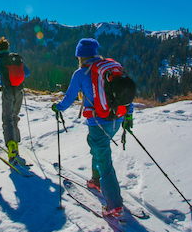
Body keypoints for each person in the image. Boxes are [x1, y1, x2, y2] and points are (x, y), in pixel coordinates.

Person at [51, 38, 133, 219]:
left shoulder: (80, 73)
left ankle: (114, 205)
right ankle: (96, 181)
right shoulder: (111, 68)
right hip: (117, 119)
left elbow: (69, 98)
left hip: (98, 122)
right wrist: (129, 115)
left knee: (104, 159)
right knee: (95, 145)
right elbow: (126, 93)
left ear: (79, 56)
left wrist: (58, 108)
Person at [0, 37, 30, 165]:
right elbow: (27, 72)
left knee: (7, 119)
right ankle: (16, 145)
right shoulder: (15, 58)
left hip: (7, 92)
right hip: (19, 91)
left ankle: (11, 149)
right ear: (8, 47)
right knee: (14, 117)